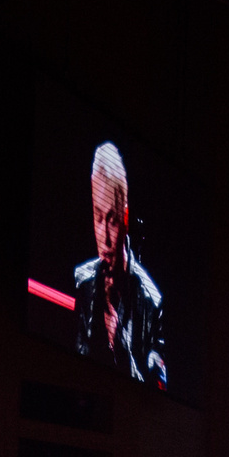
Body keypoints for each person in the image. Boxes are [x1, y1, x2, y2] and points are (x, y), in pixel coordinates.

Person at [72, 141, 167, 388]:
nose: (104, 238)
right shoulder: (81, 281)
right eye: (98, 217)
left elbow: (156, 390)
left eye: (112, 220)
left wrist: (119, 343)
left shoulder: (151, 302)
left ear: (125, 218)